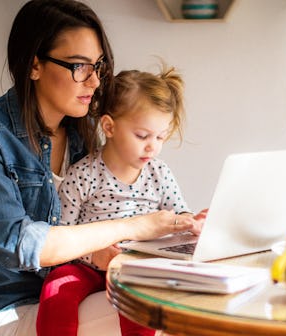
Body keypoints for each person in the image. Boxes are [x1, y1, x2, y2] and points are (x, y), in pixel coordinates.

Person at [0, 1, 197, 335]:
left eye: (98, 66)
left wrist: (187, 226)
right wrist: (134, 226)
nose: (95, 82)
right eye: (79, 66)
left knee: (170, 299)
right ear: (34, 65)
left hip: (73, 292)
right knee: (163, 312)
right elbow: (20, 245)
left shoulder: (82, 134)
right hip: (5, 313)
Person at [36, 66, 206, 336]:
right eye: (142, 136)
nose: (153, 146)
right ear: (109, 126)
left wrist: (193, 222)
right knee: (57, 288)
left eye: (160, 137)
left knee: (141, 303)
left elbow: (178, 214)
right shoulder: (83, 175)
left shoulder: (158, 173)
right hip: (86, 267)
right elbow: (61, 236)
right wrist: (94, 255)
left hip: (137, 265)